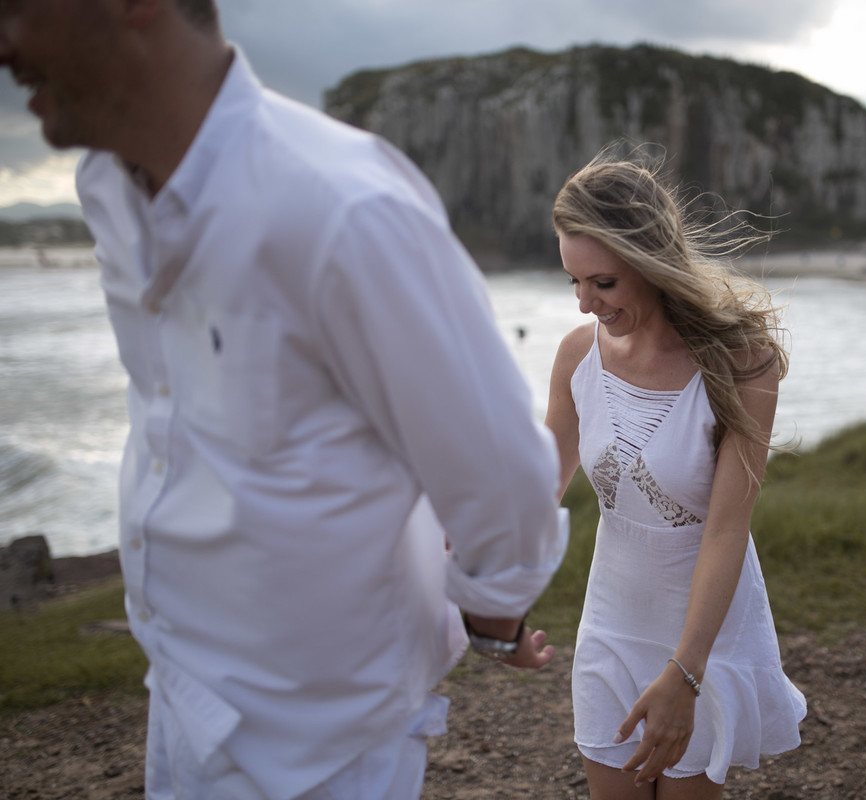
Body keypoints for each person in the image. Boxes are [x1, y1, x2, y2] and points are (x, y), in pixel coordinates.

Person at [1, 2, 567, 798]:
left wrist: (491, 619)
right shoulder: (107, 184)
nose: (4, 44)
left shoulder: (341, 207)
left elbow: (504, 478)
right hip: (179, 705)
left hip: (321, 754)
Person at [545, 150, 807, 799]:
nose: (584, 304)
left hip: (702, 637)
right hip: (609, 623)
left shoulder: (743, 365)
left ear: (649, 262)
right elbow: (537, 486)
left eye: (602, 283)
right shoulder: (578, 356)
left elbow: (726, 533)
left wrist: (686, 674)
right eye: (573, 282)